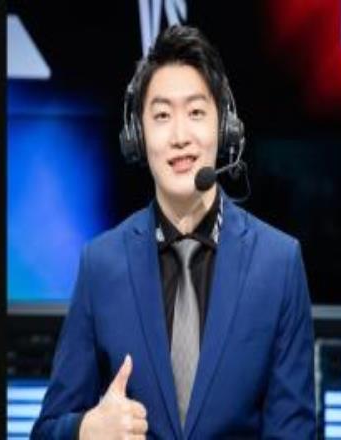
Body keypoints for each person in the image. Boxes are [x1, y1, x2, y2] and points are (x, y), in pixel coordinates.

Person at [31, 25, 316, 440]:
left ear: (225, 128)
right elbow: (45, 431)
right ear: (137, 136)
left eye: (196, 112)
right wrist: (85, 429)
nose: (180, 137)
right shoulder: (101, 264)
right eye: (162, 116)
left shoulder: (279, 264)